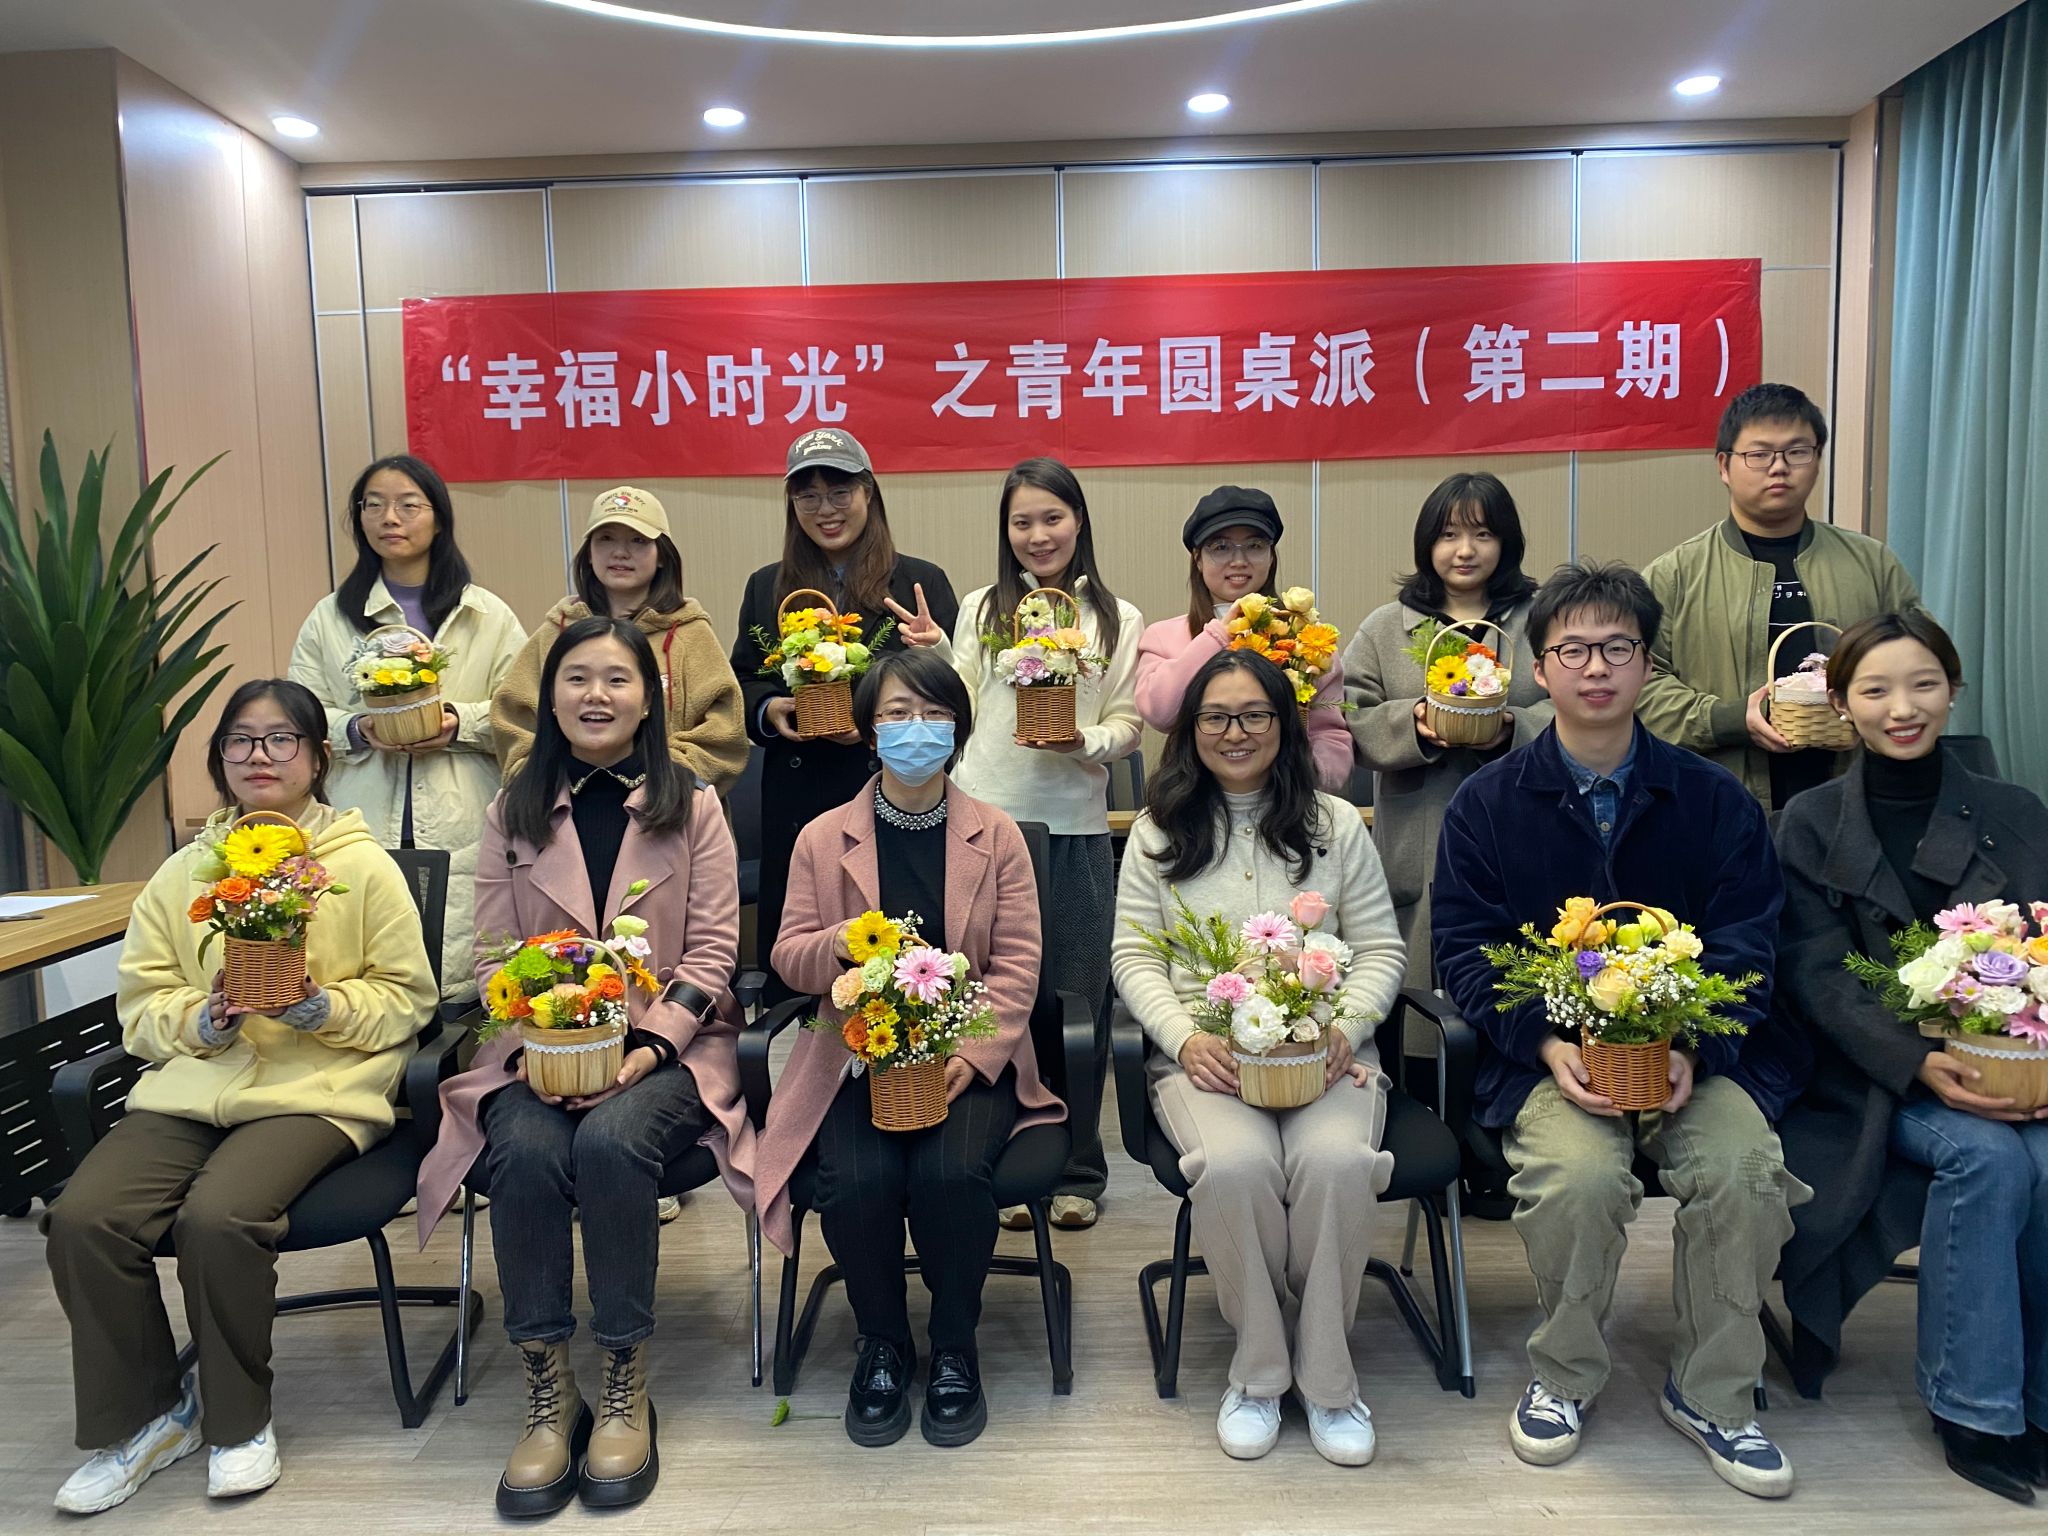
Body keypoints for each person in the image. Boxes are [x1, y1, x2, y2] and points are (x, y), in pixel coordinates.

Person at [1430, 561, 1809, 1499]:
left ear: (1646, 664)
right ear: (1539, 668)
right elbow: (1464, 950)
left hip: (1693, 1063)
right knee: (1579, 1176)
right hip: (1549, 1065)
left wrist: (1694, 1049)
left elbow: (1750, 942)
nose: (1595, 668)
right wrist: (1544, 1043)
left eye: (1616, 648)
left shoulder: (1715, 800)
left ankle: (1714, 1391)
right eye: (1573, 650)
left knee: (1744, 1169)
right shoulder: (1486, 803)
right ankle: (1564, 1374)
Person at [44, 680, 436, 1515]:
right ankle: (150, 1419)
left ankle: (238, 1422)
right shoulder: (183, 873)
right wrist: (205, 1018)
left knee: (220, 1217)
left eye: (281, 739)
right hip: (192, 1088)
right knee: (84, 1218)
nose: (260, 755)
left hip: (317, 1092)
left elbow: (409, 999)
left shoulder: (361, 867)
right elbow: (141, 1007)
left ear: (318, 758)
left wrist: (323, 1008)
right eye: (241, 741)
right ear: (219, 759)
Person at [416, 617, 756, 1516]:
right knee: (524, 1151)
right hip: (539, 1049)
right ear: (549, 696)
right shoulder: (513, 809)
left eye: (616, 678)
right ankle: (546, 1383)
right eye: (576, 678)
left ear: (649, 699)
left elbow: (714, 952)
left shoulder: (694, 803)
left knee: (611, 1142)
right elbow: (494, 954)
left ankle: (622, 1375)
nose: (595, 695)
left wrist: (649, 1045)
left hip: (668, 1050)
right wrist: (546, 1042)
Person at [751, 648, 1066, 1449]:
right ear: (868, 731)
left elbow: (1018, 964)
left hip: (968, 1050)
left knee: (948, 1175)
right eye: (896, 714)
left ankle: (954, 1345)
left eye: (932, 714)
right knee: (857, 1181)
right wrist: (839, 945)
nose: (914, 729)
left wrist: (975, 1055)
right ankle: (883, 1344)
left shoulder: (997, 835)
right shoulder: (822, 838)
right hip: (854, 1054)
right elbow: (786, 958)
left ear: (957, 730)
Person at [1773, 611, 2048, 1504]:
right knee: (1988, 1158)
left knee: (2043, 1157)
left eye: (1924, 684)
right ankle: (1973, 1409)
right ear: (1842, 705)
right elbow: (1816, 976)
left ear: (1953, 690)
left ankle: (2039, 1401)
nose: (1903, 708)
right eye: (1877, 690)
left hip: (2010, 1061)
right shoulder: (1810, 821)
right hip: (1872, 1077)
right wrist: (1916, 1062)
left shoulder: (2016, 813)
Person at [1112, 650, 1405, 1465]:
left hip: (1327, 1058)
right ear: (1191, 729)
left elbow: (1380, 948)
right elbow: (1133, 957)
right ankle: (1260, 1373)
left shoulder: (1335, 824)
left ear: (1284, 725)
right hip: (1207, 1062)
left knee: (1337, 1163)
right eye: (1216, 716)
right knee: (1237, 1167)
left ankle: (1330, 1382)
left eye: (1253, 715)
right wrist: (1185, 1037)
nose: (1234, 732)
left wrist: (1346, 1024)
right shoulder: (1157, 831)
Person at [898, 457, 1138, 1230]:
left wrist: (1083, 741)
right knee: (985, 1001)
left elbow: (1129, 723)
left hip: (1073, 831)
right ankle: (1000, 1158)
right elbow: (959, 703)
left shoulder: (1116, 618)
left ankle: (1077, 1171)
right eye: (1022, 521)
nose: (1038, 535)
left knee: (1077, 1004)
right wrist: (936, 650)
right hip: (982, 829)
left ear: (1080, 520)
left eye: (1052, 517)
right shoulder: (981, 608)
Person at [732, 428, 957, 1005]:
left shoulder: (920, 581)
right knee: (803, 955)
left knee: (897, 956)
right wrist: (770, 708)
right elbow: (743, 679)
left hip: (894, 788)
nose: (825, 510)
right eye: (807, 496)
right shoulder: (766, 586)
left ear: (869, 493)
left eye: (839, 492)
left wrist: (933, 651)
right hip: (799, 789)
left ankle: (910, 1040)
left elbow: (953, 693)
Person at [289, 454, 526, 1001]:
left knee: (460, 968)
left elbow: (523, 709)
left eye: (407, 505)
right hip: (362, 810)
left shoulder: (486, 614)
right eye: (373, 505)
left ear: (438, 518)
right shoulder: (331, 616)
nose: (389, 518)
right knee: (367, 962)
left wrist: (458, 722)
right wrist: (358, 729)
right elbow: (302, 715)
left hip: (463, 810)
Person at [1638, 382, 1921, 811]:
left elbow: (1919, 660)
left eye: (1797, 451)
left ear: (1817, 459)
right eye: (1759, 454)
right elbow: (1639, 684)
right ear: (1724, 466)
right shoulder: (1675, 574)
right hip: (1719, 799)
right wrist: (1728, 718)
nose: (1779, 468)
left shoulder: (1871, 563)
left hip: (1854, 797)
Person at [1343, 471, 1551, 987]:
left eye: (1483, 534)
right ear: (1426, 543)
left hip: (1523, 816)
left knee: (1524, 956)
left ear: (1507, 542)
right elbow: (1347, 714)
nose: (1465, 550)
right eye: (1448, 535)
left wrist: (1514, 727)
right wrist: (1411, 723)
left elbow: (1574, 705)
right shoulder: (1385, 626)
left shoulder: (1543, 619)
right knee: (1422, 973)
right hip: (1420, 826)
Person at [493, 484, 747, 792]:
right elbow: (513, 720)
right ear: (588, 553)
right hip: (565, 806)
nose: (620, 552)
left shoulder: (689, 633)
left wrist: (660, 779)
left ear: (662, 555)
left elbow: (725, 734)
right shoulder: (557, 631)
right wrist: (552, 780)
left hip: (669, 808)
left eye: (638, 540)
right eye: (606, 538)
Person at [1134, 486, 1353, 790]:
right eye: (1220, 547)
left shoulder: (1309, 640)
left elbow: (1329, 734)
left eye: (1254, 545)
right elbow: (1161, 715)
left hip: (1289, 800)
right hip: (1195, 801)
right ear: (1198, 559)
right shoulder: (1163, 636)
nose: (1239, 560)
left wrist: (1309, 779)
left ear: (1271, 556)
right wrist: (1220, 634)